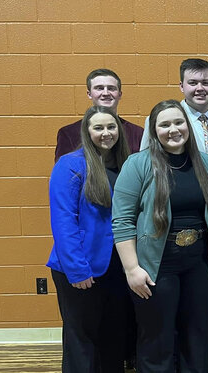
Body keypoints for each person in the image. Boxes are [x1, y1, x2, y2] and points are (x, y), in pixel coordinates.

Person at [112, 99, 208, 373]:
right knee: (158, 338)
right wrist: (131, 269)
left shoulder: (206, 164)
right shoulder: (137, 164)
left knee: (196, 335)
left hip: (199, 264)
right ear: (153, 131)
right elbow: (122, 221)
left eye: (178, 122)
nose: (173, 129)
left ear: (187, 126)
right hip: (157, 266)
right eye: (164, 124)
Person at [140, 57, 208, 371]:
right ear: (181, 86)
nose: (200, 88)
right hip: (171, 223)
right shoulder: (169, 118)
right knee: (171, 303)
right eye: (193, 83)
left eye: (206, 82)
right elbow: (146, 169)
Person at [47, 106, 130, 372]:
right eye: (98, 127)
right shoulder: (70, 165)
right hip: (82, 266)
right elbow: (63, 222)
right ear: (87, 131)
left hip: (118, 266)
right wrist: (77, 269)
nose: (106, 133)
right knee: (82, 339)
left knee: (114, 337)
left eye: (111, 127)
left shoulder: (127, 164)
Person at [55, 68, 143, 162]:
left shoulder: (137, 133)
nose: (106, 93)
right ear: (89, 94)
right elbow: (64, 172)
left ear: (120, 94)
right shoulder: (69, 133)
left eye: (111, 88)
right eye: (99, 88)